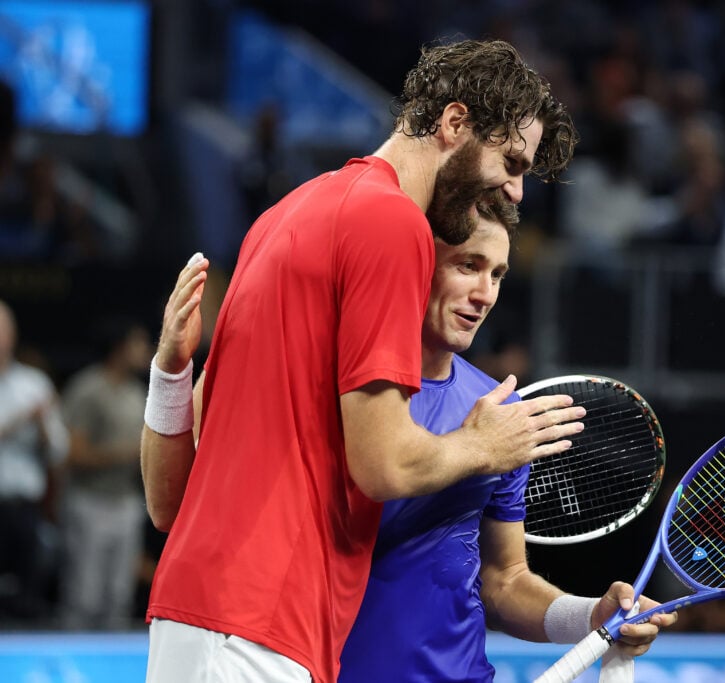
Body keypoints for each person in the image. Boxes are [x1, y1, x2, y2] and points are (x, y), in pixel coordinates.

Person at [141, 39, 580, 683]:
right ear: (454, 124)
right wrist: (486, 445)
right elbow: (383, 465)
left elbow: (164, 502)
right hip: (257, 623)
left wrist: (169, 375)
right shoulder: (391, 223)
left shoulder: (284, 215)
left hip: (211, 617)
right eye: (512, 160)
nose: (516, 190)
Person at [152, 196, 676, 681]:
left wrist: (589, 615)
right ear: (416, 266)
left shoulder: (500, 411)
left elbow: (503, 579)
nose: (485, 294)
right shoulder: (317, 389)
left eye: (497, 274)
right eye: (467, 266)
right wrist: (171, 373)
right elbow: (169, 504)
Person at [59, 317, 152, 629]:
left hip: (126, 502)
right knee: (84, 595)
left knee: (119, 595)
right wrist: (125, 453)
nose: (145, 350)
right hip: (89, 501)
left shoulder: (138, 392)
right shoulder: (88, 389)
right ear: (120, 347)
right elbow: (73, 453)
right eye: (138, 343)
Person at [0, 299, 69, 623]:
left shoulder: (34, 385)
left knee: (27, 597)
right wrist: (18, 421)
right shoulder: (26, 401)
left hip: (24, 506)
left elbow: (59, 450)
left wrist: (42, 429)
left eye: (4, 330)